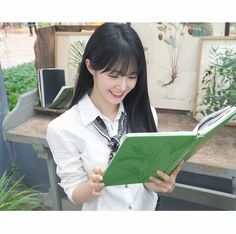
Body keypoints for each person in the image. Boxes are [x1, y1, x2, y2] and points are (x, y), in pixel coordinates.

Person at [46, 23, 183, 211]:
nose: (123, 86)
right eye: (114, 75)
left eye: (132, 76)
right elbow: (74, 191)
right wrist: (92, 186)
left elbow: (145, 182)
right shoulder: (63, 128)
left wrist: (160, 183)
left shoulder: (145, 113)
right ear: (91, 66)